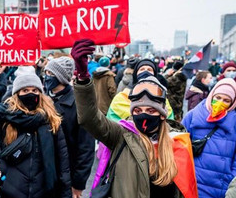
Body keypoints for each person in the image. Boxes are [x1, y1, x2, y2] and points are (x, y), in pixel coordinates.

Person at [71, 40, 198, 198]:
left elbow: (186, 190)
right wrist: (83, 78)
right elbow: (90, 118)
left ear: (162, 114)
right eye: (138, 110)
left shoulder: (178, 142)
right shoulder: (121, 135)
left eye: (150, 110)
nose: (143, 115)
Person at [0, 63, 71, 198]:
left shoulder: (51, 120)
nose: (30, 93)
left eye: (34, 90)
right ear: (17, 94)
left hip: (46, 192)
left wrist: (66, 193)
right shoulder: (4, 118)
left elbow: (63, 163)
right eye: (25, 90)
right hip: (11, 192)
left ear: (40, 94)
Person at [44, 57, 95, 198]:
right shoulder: (46, 99)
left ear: (60, 77)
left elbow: (86, 148)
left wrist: (78, 184)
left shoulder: (79, 104)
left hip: (68, 177)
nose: (46, 77)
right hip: (48, 174)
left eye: (50, 74)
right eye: (46, 73)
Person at [182, 78, 236, 198]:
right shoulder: (193, 116)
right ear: (211, 96)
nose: (220, 102)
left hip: (220, 187)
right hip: (192, 182)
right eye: (218, 98)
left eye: (226, 100)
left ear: (232, 103)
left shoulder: (234, 123)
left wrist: (229, 179)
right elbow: (179, 146)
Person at [106, 57, 175, 122]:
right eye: (142, 69)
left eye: (149, 70)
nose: (145, 71)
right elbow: (112, 123)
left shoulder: (161, 96)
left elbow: (169, 121)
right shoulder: (122, 96)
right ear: (136, 74)